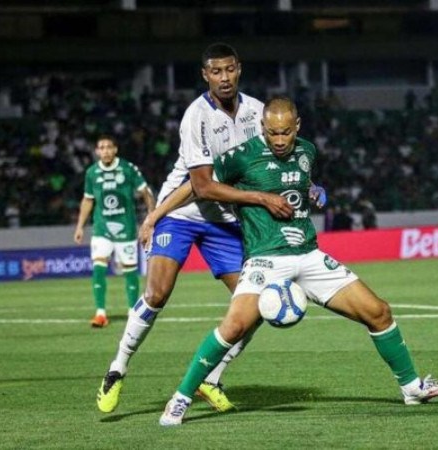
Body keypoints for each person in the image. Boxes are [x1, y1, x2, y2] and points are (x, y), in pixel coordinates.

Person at [158, 97, 438, 426]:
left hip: (310, 255)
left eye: (285, 133)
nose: (278, 140)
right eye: (271, 133)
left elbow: (298, 182)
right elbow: (200, 186)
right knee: (233, 327)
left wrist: (314, 189)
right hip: (265, 259)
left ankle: (412, 387)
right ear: (262, 127)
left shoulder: (307, 151)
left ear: (297, 127)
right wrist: (158, 215)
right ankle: (181, 398)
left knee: (379, 312)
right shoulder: (241, 157)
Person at [96, 43, 295, 414]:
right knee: (157, 293)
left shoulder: (257, 112)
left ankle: (211, 378)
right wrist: (154, 216)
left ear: (239, 70)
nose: (224, 78)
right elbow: (200, 186)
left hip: (225, 221)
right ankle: (117, 369)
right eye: (215, 72)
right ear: (205, 75)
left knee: (255, 307)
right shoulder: (195, 117)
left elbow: (271, 165)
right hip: (183, 213)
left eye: (229, 70)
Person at [74, 135, 155, 328]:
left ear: (115, 149)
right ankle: (100, 313)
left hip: (125, 227)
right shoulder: (92, 173)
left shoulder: (127, 169)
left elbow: (146, 193)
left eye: (109, 147)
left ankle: (133, 312)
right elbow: (88, 200)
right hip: (102, 228)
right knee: (99, 265)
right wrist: (79, 226)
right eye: (101, 148)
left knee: (129, 269)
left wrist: (151, 218)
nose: (105, 151)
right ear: (96, 151)